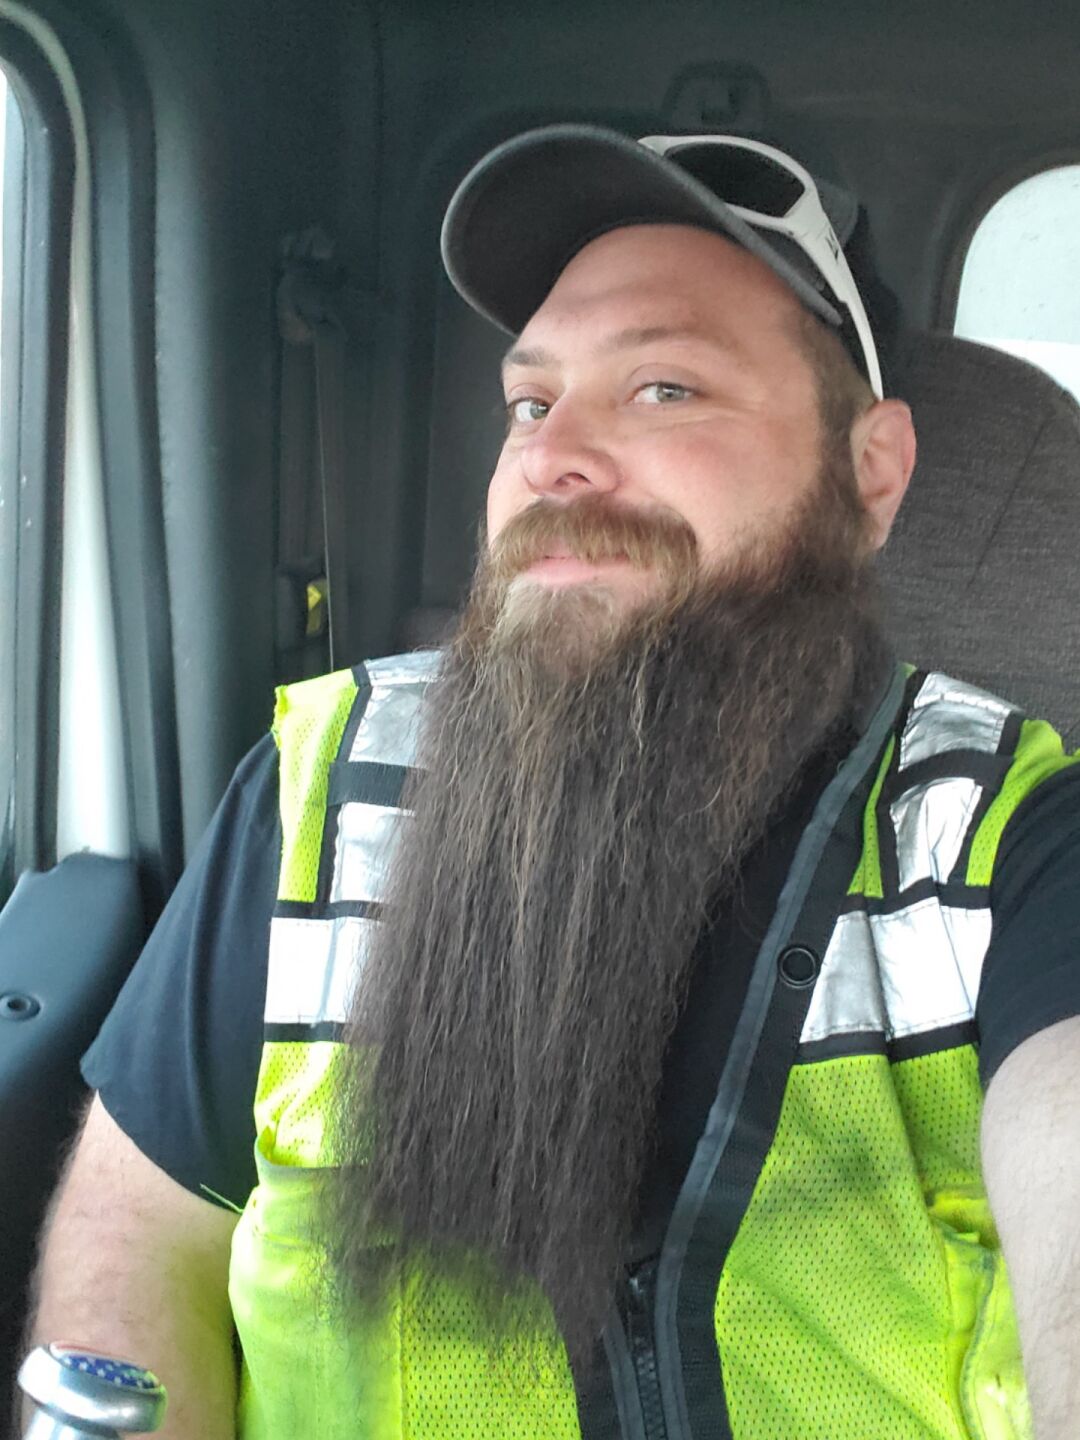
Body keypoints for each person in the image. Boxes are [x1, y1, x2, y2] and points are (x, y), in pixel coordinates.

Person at [28, 125, 1080, 1440]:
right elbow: (138, 1249)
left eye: (664, 389)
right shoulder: (321, 789)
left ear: (871, 472)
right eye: (530, 404)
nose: (550, 457)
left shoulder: (1008, 831)